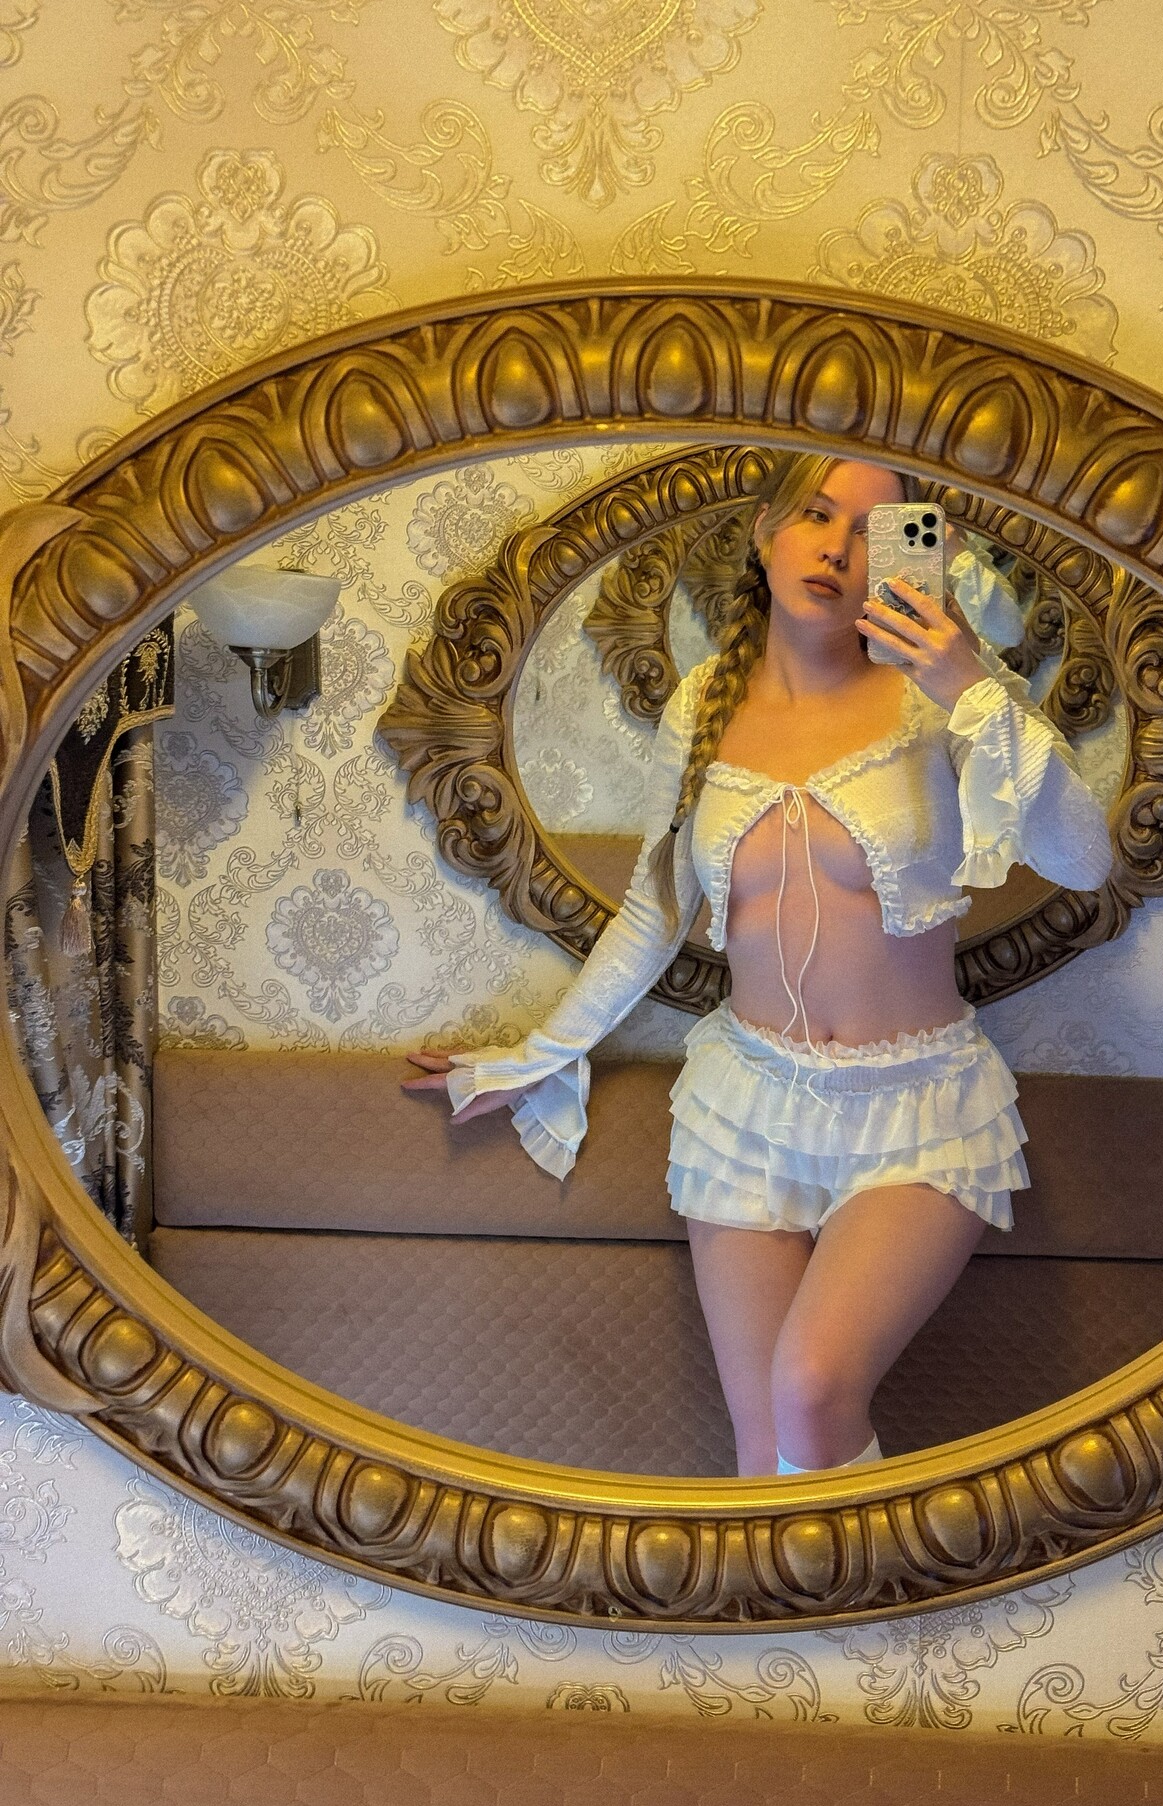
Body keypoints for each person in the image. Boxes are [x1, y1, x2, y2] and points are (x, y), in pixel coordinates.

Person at [403, 455, 1113, 1478]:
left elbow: (1083, 861)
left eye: (874, 530)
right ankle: (809, 1592)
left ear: (915, 554)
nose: (837, 548)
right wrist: (537, 1055)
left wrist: (967, 682)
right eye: (817, 515)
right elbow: (655, 907)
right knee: (764, 1451)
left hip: (916, 1109)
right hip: (746, 1106)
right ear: (765, 530)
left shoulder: (943, 698)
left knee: (811, 1387)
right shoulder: (704, 703)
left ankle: (868, 1583)